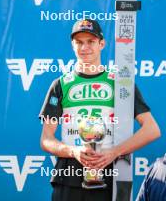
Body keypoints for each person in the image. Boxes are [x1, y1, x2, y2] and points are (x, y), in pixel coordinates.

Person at [39, 19, 161, 201]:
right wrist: (73, 151)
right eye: (79, 42)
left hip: (110, 175)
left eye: (91, 41)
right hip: (69, 175)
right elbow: (46, 139)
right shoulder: (61, 84)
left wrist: (114, 151)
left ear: (101, 44)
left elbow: (152, 130)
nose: (84, 47)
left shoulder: (120, 84)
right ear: (72, 45)